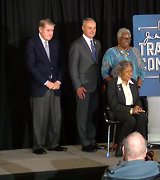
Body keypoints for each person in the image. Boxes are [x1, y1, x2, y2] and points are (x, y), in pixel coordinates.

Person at [25, 18, 67, 155]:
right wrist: (46, 82)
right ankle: (38, 145)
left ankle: (53, 143)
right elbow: (31, 66)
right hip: (40, 87)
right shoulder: (32, 43)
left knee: (56, 117)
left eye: (52, 30)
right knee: (40, 119)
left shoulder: (55, 43)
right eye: (48, 30)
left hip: (55, 87)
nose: (51, 33)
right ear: (40, 29)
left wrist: (58, 81)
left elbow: (61, 64)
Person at [68, 18, 102, 152]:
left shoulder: (97, 43)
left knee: (92, 115)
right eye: (89, 28)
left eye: (94, 28)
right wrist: (77, 86)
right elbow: (72, 68)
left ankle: (91, 140)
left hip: (96, 85)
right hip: (83, 87)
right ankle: (84, 142)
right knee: (82, 115)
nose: (92, 30)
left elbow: (98, 65)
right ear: (83, 28)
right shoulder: (76, 45)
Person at [107, 60, 148, 157]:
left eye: (131, 71)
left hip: (132, 108)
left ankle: (140, 146)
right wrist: (130, 110)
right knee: (130, 120)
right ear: (120, 72)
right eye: (127, 72)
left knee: (142, 117)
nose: (130, 74)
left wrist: (137, 106)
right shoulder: (113, 84)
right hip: (118, 110)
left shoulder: (133, 83)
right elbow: (113, 105)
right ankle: (121, 146)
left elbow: (137, 99)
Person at [101, 28, 147, 111]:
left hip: (134, 90)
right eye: (124, 38)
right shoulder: (111, 52)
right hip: (118, 93)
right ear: (118, 39)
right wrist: (115, 85)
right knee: (127, 116)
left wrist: (138, 86)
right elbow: (104, 73)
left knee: (141, 113)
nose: (127, 40)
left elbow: (142, 70)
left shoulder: (135, 51)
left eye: (128, 38)